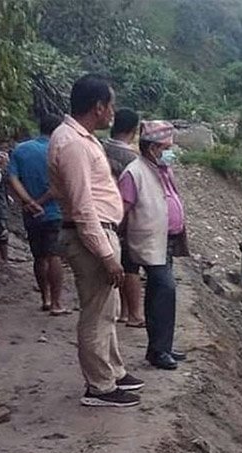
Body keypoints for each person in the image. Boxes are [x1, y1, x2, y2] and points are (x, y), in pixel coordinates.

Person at [48, 74, 143, 407]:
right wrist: (106, 254)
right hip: (91, 235)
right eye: (110, 104)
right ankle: (100, 387)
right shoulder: (72, 143)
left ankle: (113, 372)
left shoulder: (80, 138)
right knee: (96, 313)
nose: (113, 111)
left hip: (99, 230)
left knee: (108, 309)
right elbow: (81, 205)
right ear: (98, 106)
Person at [118, 120, 189, 370]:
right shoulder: (134, 173)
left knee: (160, 293)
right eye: (166, 147)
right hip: (148, 241)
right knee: (165, 290)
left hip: (164, 241)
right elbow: (122, 211)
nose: (171, 151)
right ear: (152, 148)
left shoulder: (162, 168)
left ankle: (161, 347)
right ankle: (159, 351)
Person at [9, 113, 67, 315]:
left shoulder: (20, 150)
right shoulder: (60, 151)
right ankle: (58, 303)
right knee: (54, 255)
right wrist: (41, 202)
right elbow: (59, 187)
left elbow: (13, 179)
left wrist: (29, 202)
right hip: (55, 212)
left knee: (39, 257)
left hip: (30, 214)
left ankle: (45, 298)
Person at [103, 108, 145, 328]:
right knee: (130, 268)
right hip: (124, 218)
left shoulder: (99, 149)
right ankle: (134, 314)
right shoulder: (133, 160)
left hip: (101, 217)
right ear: (134, 130)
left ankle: (122, 311)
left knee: (112, 263)